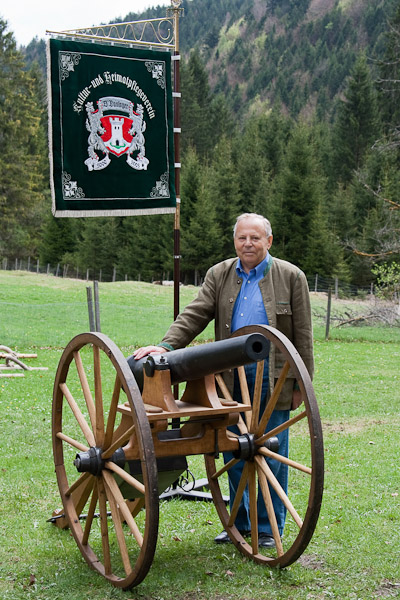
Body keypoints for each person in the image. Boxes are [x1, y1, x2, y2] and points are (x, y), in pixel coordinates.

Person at [133, 212, 314, 547]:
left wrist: (302, 385)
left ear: (269, 241)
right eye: (242, 238)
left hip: (273, 376)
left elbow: (302, 336)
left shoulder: (291, 276)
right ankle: (239, 525)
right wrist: (167, 345)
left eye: (255, 238)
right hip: (230, 376)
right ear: (234, 241)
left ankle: (267, 528)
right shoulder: (220, 273)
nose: (248, 244)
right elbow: (196, 313)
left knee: (271, 450)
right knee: (233, 448)